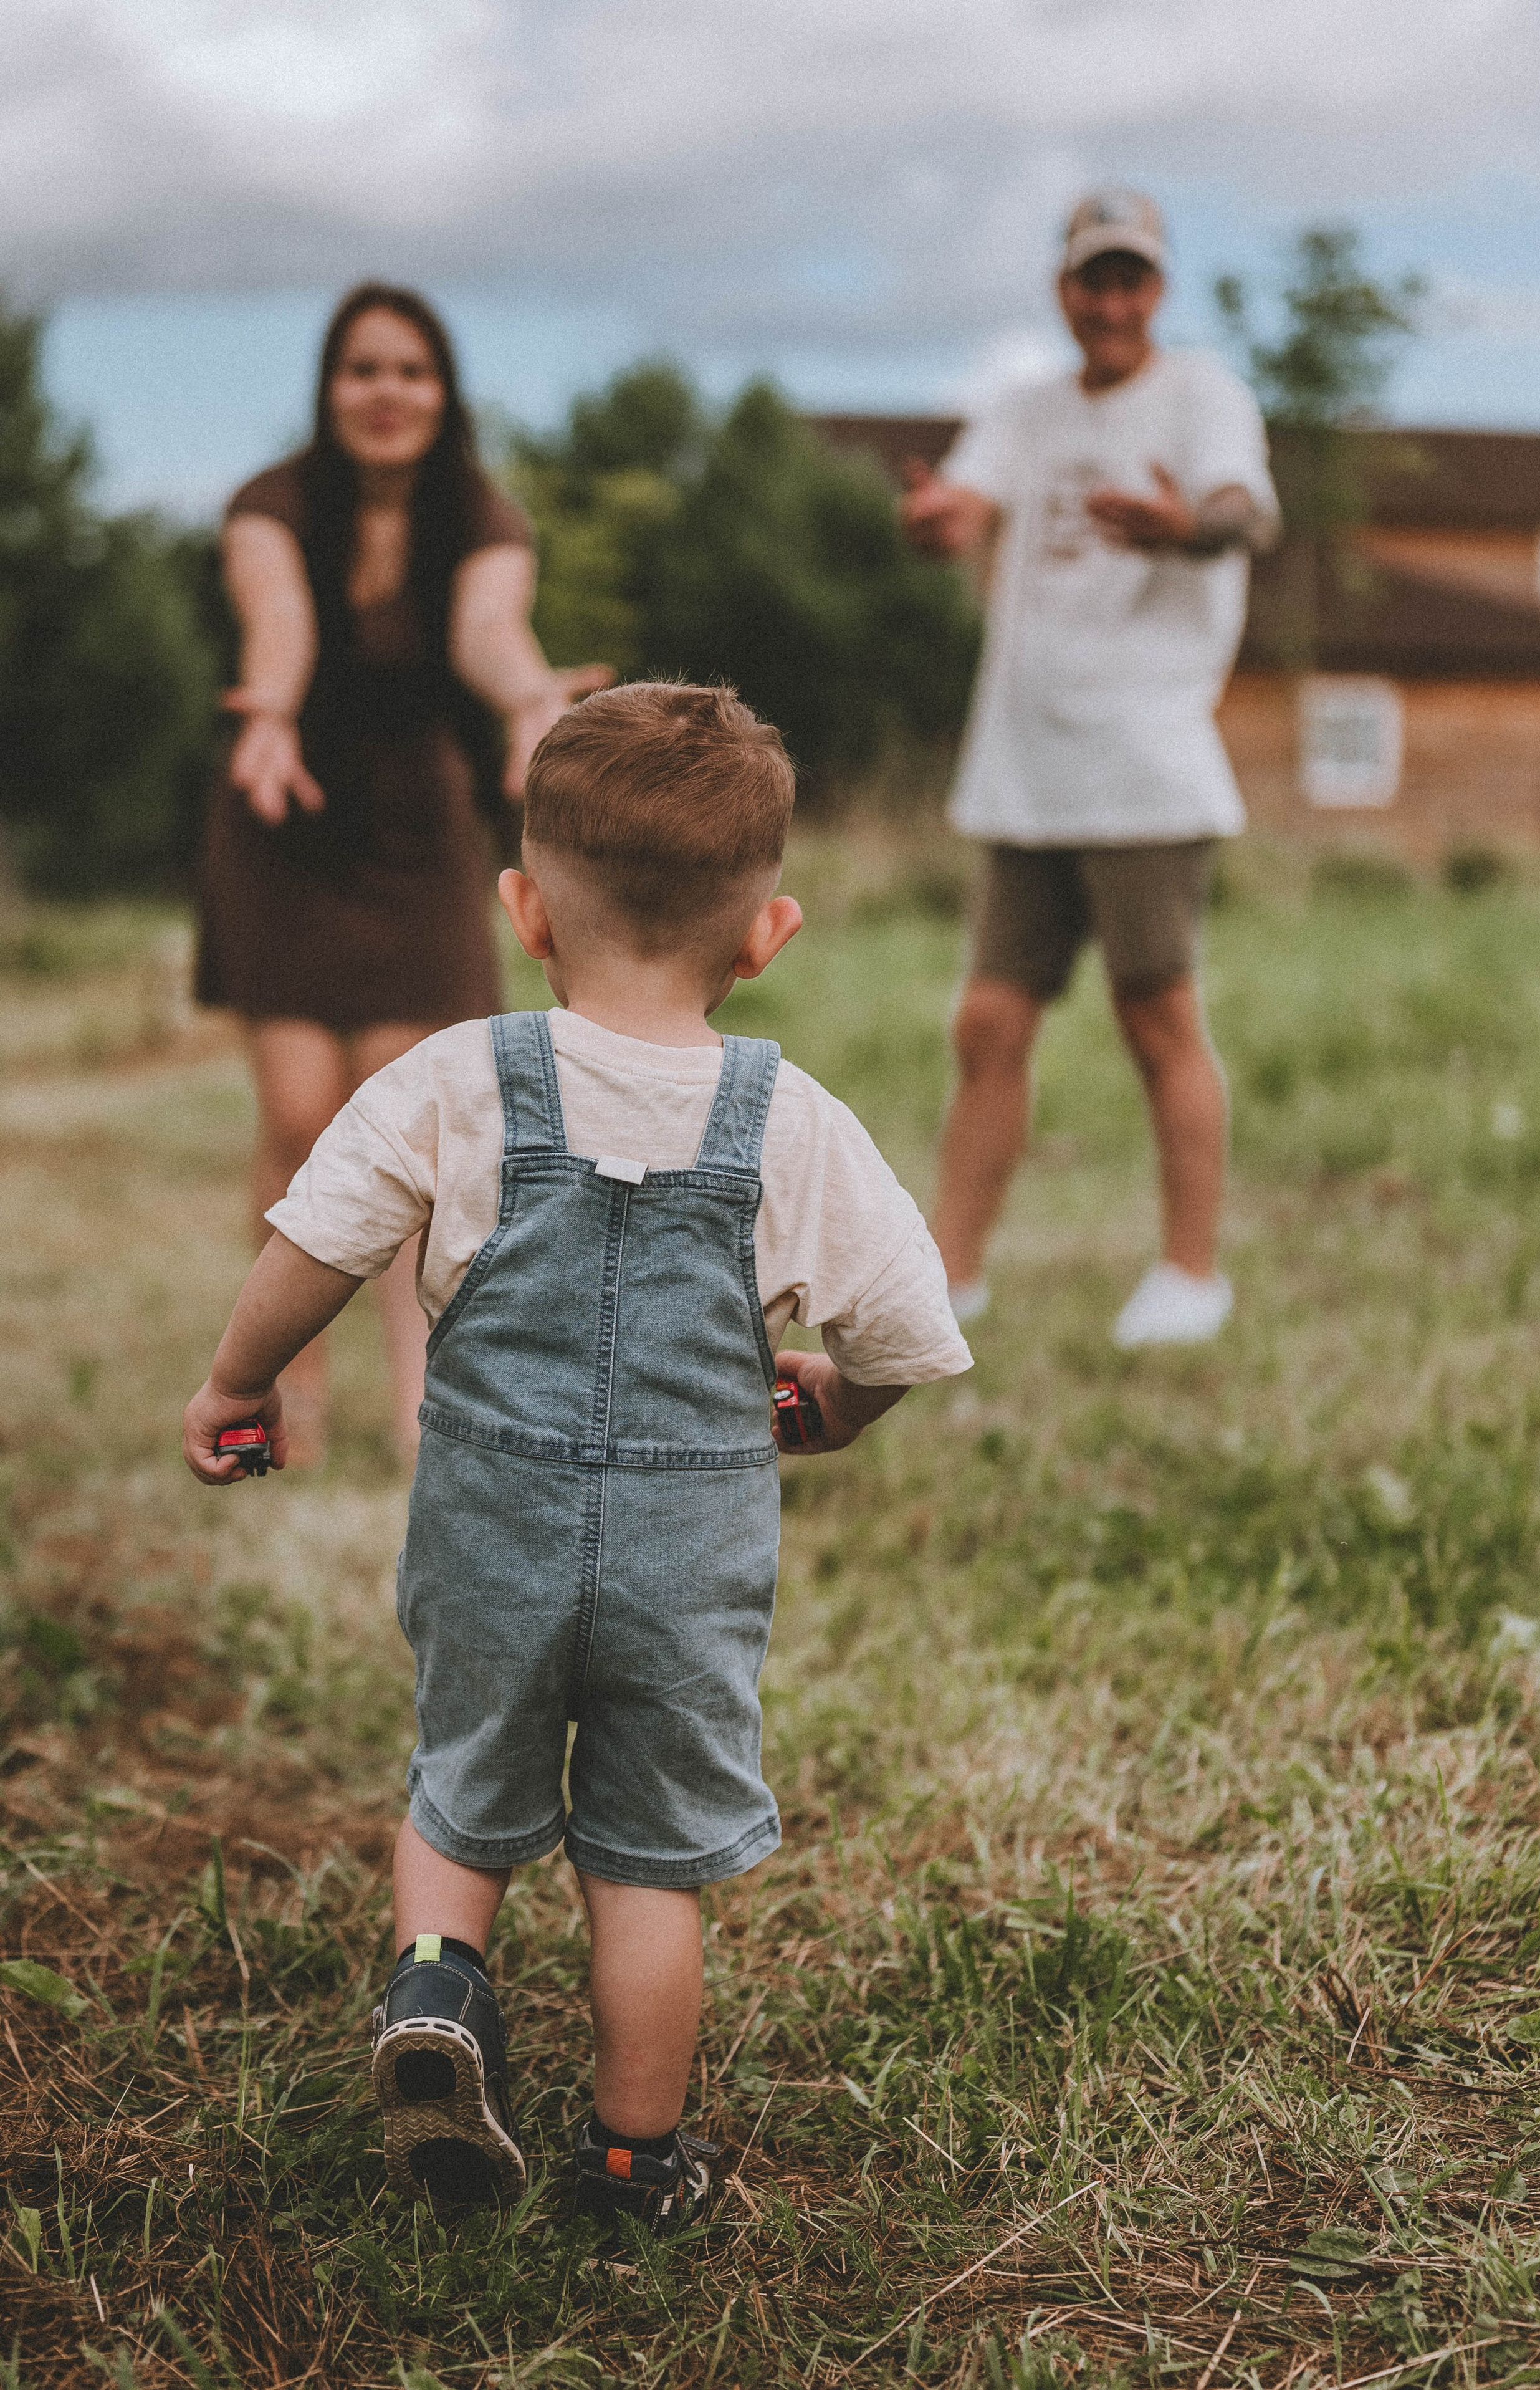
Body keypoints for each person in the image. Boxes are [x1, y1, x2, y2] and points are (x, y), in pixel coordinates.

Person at [181, 683, 972, 2229]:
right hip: (689, 1557)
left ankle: (436, 1990)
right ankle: (632, 2161)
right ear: (766, 936)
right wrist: (828, 1402)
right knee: (645, 1860)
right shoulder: (791, 1121)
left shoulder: (454, 1080)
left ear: (524, 910)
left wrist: (237, 1380)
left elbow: (317, 1243)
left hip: (491, 1520)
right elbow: (904, 1329)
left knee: (460, 1792)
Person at [195, 282, 610, 1466]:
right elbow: (280, 622)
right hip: (285, 811)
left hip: (417, 831)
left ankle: (426, 1405)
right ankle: (285, 1394)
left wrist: (529, 699)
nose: (389, 392)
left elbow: (488, 630)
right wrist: (271, 711)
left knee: (411, 1125)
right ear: (331, 388)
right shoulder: (271, 505)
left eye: (412, 371)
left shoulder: (482, 515)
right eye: (365, 369)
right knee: (298, 1115)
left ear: (444, 391)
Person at [902, 190, 1279, 1347]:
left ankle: (1190, 1277)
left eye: (1131, 280)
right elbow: (969, 501)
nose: (1112, 302)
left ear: (1158, 290)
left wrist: (1185, 527)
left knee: (1155, 1014)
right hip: (1023, 769)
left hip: (1143, 767)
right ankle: (951, 1278)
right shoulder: (1025, 409)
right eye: (1092, 280)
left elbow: (1247, 515)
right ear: (1063, 290)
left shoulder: (1202, 394)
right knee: (988, 1023)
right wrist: (945, 520)